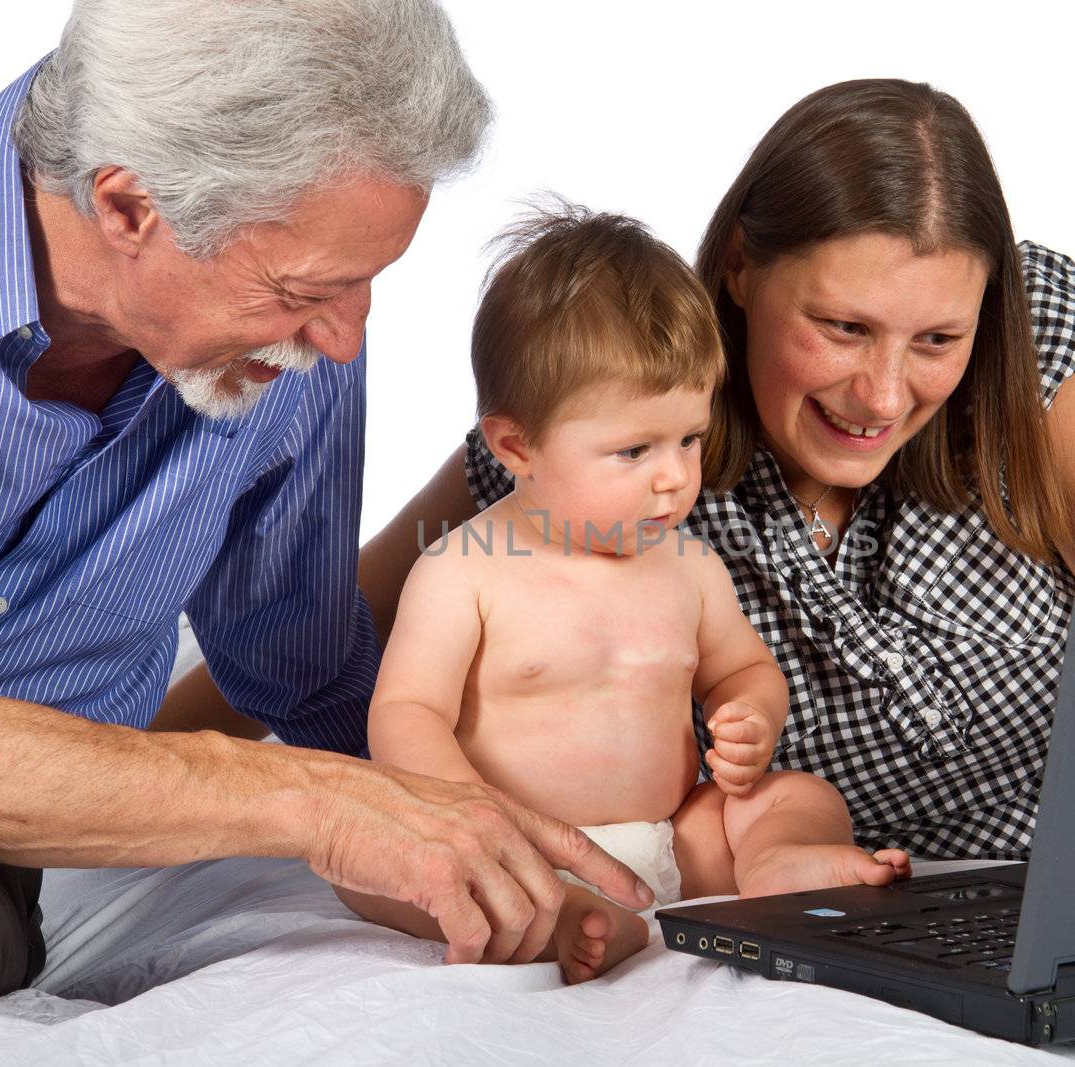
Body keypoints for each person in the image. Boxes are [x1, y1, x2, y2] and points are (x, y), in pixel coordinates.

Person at [0, 0, 653, 1027]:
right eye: (307, 287)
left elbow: (306, 666)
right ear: (130, 206)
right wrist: (301, 801)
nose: (346, 339)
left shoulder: (291, 354)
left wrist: (501, 829)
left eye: (368, 284)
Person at [171, 78, 1075, 861]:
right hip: (848, 883)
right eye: (843, 328)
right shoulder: (609, 437)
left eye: (936, 337)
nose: (886, 395)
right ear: (738, 267)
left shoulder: (1030, 365)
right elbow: (320, 627)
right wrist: (135, 763)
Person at [331, 208, 910, 983]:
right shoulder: (463, 570)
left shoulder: (691, 565)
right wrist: (470, 814)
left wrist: (751, 716)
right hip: (518, 844)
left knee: (794, 792)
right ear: (515, 447)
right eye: (633, 449)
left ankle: (777, 861)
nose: (673, 475)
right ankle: (563, 914)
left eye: (688, 439)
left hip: (670, 840)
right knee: (371, 865)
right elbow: (407, 712)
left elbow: (743, 670)